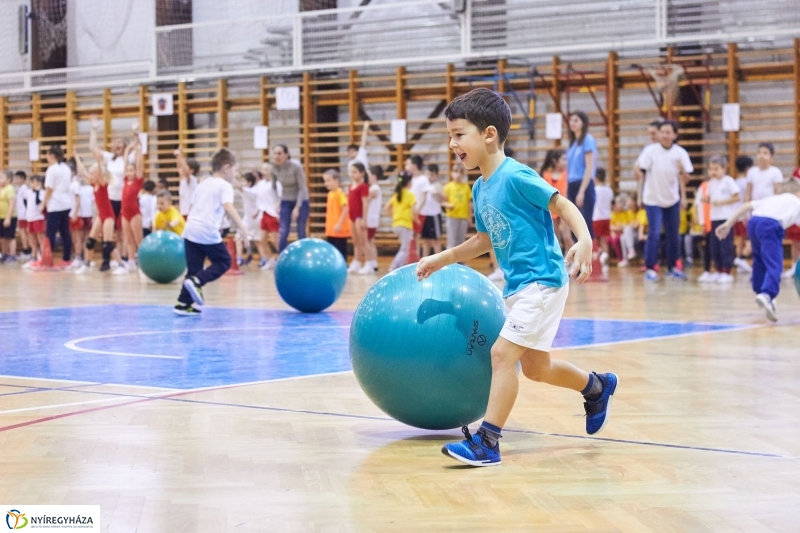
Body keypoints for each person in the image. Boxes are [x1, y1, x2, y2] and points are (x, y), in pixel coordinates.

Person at [418, 88, 617, 467]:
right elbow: (483, 240)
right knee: (537, 368)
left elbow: (562, 203)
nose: (452, 144)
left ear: (488, 134)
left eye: (459, 134)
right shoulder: (480, 187)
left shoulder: (515, 175)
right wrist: (443, 258)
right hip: (519, 286)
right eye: (449, 136)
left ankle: (487, 442)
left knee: (501, 353)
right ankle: (597, 387)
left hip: (542, 281)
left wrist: (586, 239)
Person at [176, 148, 249, 316]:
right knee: (224, 261)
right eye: (235, 169)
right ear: (226, 167)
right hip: (206, 230)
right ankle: (198, 281)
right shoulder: (225, 185)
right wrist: (242, 228)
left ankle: (182, 303)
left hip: (190, 229)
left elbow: (196, 206)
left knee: (194, 268)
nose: (236, 173)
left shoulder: (203, 183)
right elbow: (228, 206)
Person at [715, 182, 800, 322]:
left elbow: (746, 206)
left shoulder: (772, 199)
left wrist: (728, 224)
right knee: (774, 264)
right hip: (771, 226)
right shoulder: (797, 202)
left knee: (759, 260)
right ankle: (767, 294)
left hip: (753, 223)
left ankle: (761, 291)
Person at [637, 120, 692, 281]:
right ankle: (650, 267)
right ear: (659, 134)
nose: (666, 135)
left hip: (672, 200)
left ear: (675, 135)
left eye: (669, 132)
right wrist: (639, 195)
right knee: (653, 234)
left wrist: (683, 173)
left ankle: (672, 267)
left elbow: (686, 178)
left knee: (673, 235)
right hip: (653, 200)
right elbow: (640, 174)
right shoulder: (650, 151)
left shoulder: (680, 153)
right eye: (663, 132)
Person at [89, 115, 130, 258]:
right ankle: (112, 259)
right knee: (109, 232)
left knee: (123, 232)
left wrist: (137, 136)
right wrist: (94, 129)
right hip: (110, 199)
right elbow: (93, 148)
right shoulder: (109, 158)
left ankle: (125, 259)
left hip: (124, 199)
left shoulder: (128, 159)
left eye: (120, 142)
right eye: (115, 142)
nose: (117, 144)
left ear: (125, 146)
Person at [698, 155, 739, 284]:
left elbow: (736, 197)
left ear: (724, 169)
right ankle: (719, 270)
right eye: (711, 169)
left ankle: (727, 271)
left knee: (725, 245)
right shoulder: (710, 183)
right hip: (713, 218)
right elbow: (711, 200)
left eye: (716, 169)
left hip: (726, 218)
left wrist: (721, 202)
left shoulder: (728, 181)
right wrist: (707, 201)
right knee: (714, 246)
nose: (713, 172)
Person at [74, 151, 117, 273]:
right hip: (101, 216)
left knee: (107, 244)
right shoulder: (94, 184)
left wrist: (99, 161)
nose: (90, 175)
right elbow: (82, 171)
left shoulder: (103, 184)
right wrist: (76, 156)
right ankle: (86, 264)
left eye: (93, 173)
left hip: (108, 216)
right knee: (90, 242)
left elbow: (99, 173)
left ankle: (120, 265)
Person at [271, 145, 309, 252]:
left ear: (286, 155)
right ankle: (282, 256)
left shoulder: (296, 167)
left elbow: (302, 188)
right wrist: (276, 202)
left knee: (300, 230)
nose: (276, 156)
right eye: (275, 153)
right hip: (286, 200)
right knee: (283, 231)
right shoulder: (274, 168)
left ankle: (303, 254)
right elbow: (273, 187)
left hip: (301, 200)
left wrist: (297, 207)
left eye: (279, 153)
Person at [565, 110, 597, 238]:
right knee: (574, 224)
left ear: (583, 123)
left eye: (576, 120)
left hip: (584, 184)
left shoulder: (588, 140)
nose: (572, 123)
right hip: (572, 184)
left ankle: (592, 256)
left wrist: (581, 192)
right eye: (571, 120)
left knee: (585, 223)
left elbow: (589, 167)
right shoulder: (572, 143)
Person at [117, 131, 144, 274]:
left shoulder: (138, 180)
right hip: (124, 213)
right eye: (127, 170)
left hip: (135, 213)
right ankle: (131, 262)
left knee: (139, 240)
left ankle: (144, 263)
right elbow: (125, 161)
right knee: (128, 239)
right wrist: (128, 149)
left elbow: (139, 164)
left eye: (131, 170)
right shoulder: (126, 180)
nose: (129, 172)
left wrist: (138, 146)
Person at [42, 145, 73, 268]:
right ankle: (66, 259)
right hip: (66, 203)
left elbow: (49, 189)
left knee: (50, 233)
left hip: (55, 204)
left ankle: (47, 261)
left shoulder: (52, 169)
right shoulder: (66, 167)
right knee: (65, 232)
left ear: (51, 156)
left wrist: (43, 204)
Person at [540, 149, 572, 252]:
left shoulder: (567, 174)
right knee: (556, 239)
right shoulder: (546, 175)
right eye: (563, 159)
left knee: (567, 237)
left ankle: (575, 260)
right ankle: (561, 262)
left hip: (564, 208)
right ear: (555, 161)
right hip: (551, 208)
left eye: (566, 159)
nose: (566, 162)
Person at [384, 172, 417, 272]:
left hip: (396, 225)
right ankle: (394, 267)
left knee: (405, 247)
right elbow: (413, 212)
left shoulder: (397, 194)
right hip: (405, 225)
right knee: (405, 249)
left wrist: (394, 216)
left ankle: (400, 267)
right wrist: (417, 221)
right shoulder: (410, 195)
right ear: (409, 183)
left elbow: (386, 209)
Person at [234, 171, 266, 266]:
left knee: (239, 238)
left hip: (252, 220)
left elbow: (238, 186)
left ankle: (239, 258)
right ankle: (263, 259)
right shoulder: (256, 189)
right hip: (252, 219)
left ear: (249, 183)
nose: (242, 183)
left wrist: (232, 174)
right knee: (256, 240)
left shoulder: (250, 191)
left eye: (244, 181)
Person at [69, 161, 94, 267]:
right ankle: (79, 257)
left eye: (83, 176)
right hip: (80, 214)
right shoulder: (76, 185)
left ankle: (82, 257)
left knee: (83, 238)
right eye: (80, 176)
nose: (82, 178)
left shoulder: (88, 188)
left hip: (85, 215)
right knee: (77, 238)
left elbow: (93, 203)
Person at [256, 168, 282, 270]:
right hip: (264, 213)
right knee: (262, 240)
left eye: (266, 170)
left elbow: (281, 197)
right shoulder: (260, 184)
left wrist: (278, 209)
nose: (264, 173)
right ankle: (270, 260)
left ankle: (284, 258)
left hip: (273, 213)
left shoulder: (276, 183)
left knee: (275, 240)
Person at [347, 162, 370, 273]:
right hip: (351, 216)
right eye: (351, 172)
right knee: (355, 241)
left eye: (355, 172)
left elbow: (365, 203)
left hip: (359, 217)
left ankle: (368, 263)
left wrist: (364, 219)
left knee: (363, 241)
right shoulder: (350, 186)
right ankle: (356, 262)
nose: (352, 174)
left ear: (362, 173)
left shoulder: (363, 186)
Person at [323, 169, 351, 260]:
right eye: (325, 181)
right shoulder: (330, 194)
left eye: (328, 181)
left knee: (341, 250)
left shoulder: (340, 194)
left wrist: (339, 224)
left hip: (339, 229)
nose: (326, 183)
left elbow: (345, 209)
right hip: (331, 229)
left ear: (336, 181)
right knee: (332, 250)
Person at [442, 165, 472, 250]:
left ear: (463, 174)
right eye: (455, 171)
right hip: (452, 217)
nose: (458, 174)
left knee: (461, 241)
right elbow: (443, 202)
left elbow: (468, 203)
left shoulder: (466, 187)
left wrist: (469, 218)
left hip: (463, 218)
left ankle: (460, 262)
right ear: (451, 173)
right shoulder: (448, 187)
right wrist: (448, 205)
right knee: (451, 241)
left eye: (461, 172)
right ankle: (449, 262)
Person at [732, 156, 753, 272]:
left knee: (741, 238)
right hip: (745, 214)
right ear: (747, 168)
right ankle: (741, 258)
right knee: (750, 238)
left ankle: (740, 262)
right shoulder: (746, 182)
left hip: (737, 214)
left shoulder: (735, 181)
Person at [406, 155, 430, 259]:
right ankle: (410, 257)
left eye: (408, 164)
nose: (406, 166)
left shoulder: (423, 179)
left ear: (415, 165)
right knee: (408, 236)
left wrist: (417, 210)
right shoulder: (408, 179)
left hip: (419, 212)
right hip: (408, 212)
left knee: (416, 236)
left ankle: (416, 257)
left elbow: (424, 198)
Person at [362, 165, 383, 273]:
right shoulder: (374, 188)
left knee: (367, 242)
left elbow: (365, 199)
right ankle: (374, 263)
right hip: (373, 219)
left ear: (374, 176)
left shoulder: (374, 188)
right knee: (371, 241)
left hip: (370, 219)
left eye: (369, 175)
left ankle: (369, 263)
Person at [592, 168, 613, 274]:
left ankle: (597, 259)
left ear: (595, 178)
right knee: (604, 240)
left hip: (597, 217)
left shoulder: (595, 190)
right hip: (606, 217)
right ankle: (605, 259)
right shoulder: (609, 190)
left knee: (595, 240)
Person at [22, 175, 45, 269]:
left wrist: (37, 191)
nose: (30, 184)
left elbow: (38, 202)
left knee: (40, 238)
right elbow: (25, 201)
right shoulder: (28, 192)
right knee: (31, 238)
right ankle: (33, 256)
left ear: (38, 183)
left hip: (38, 218)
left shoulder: (42, 192)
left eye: (32, 182)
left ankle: (43, 258)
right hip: (29, 218)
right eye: (30, 182)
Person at [609, 194, 636, 267]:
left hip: (630, 233)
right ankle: (625, 258)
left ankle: (630, 250)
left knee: (625, 233)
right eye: (618, 202)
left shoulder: (626, 213)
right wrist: (622, 227)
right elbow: (611, 227)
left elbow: (632, 225)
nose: (621, 204)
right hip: (621, 234)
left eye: (621, 202)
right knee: (621, 238)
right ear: (613, 206)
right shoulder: (611, 214)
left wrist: (622, 227)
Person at [175, 148, 199, 219]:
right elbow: (179, 167)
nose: (182, 168)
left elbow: (186, 171)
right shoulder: (184, 180)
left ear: (192, 170)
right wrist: (178, 157)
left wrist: (179, 156)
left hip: (190, 213)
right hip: (184, 213)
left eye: (184, 166)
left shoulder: (192, 179)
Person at [13, 171, 30, 260]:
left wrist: (27, 213)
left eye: (17, 178)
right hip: (21, 214)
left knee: (23, 233)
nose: (15, 180)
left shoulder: (24, 189)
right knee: (23, 233)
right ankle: (27, 249)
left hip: (24, 215)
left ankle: (27, 250)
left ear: (22, 179)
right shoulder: (21, 189)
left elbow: (27, 201)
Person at [0, 170, 16, 261]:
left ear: (8, 180)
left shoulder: (9, 188)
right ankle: (4, 253)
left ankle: (12, 255)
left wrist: (8, 218)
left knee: (10, 237)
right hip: (1, 216)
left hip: (9, 217)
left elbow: (11, 204)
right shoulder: (1, 188)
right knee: (2, 237)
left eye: (1, 177)